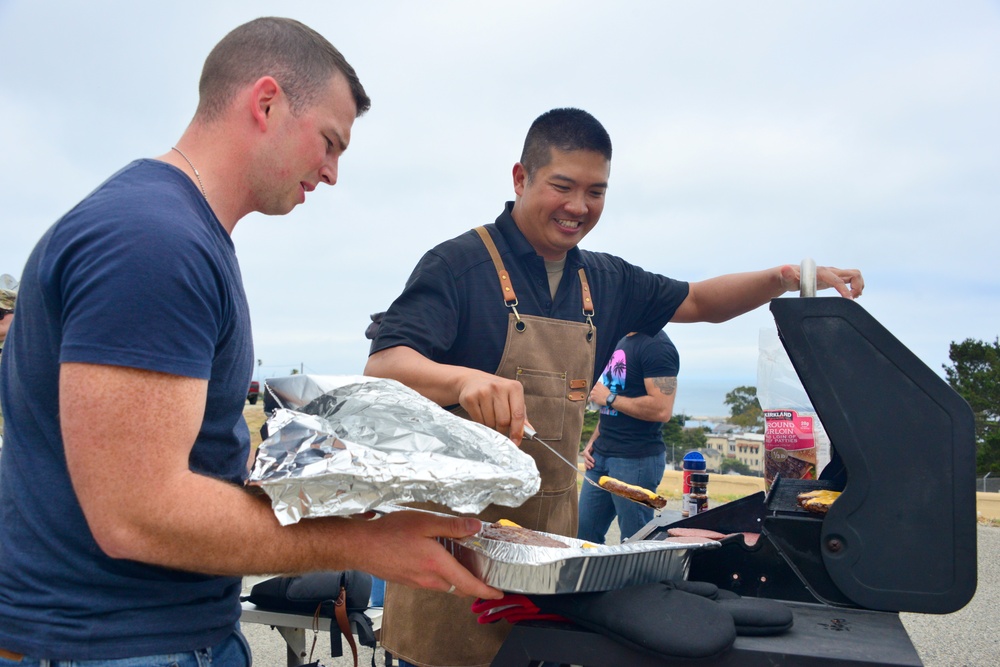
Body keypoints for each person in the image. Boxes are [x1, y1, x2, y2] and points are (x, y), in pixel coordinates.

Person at [0, 17, 499, 665]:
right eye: (329, 141)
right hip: (111, 643)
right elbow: (136, 514)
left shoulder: (184, 233)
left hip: (167, 634)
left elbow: (177, 464)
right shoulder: (153, 241)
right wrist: (363, 541)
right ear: (265, 102)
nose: (331, 171)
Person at [364, 107, 864, 667]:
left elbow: (698, 300)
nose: (579, 207)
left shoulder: (604, 279)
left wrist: (785, 279)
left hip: (550, 557)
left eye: (596, 191)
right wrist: (462, 378)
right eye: (564, 186)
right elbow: (384, 365)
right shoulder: (457, 265)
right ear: (520, 178)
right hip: (455, 553)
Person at [578, 330, 679, 544]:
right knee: (583, 534)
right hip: (600, 457)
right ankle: (593, 579)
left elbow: (662, 409)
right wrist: (593, 441)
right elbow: (610, 408)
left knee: (635, 541)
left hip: (636, 460)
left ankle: (640, 580)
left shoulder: (657, 346)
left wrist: (609, 398)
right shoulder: (621, 340)